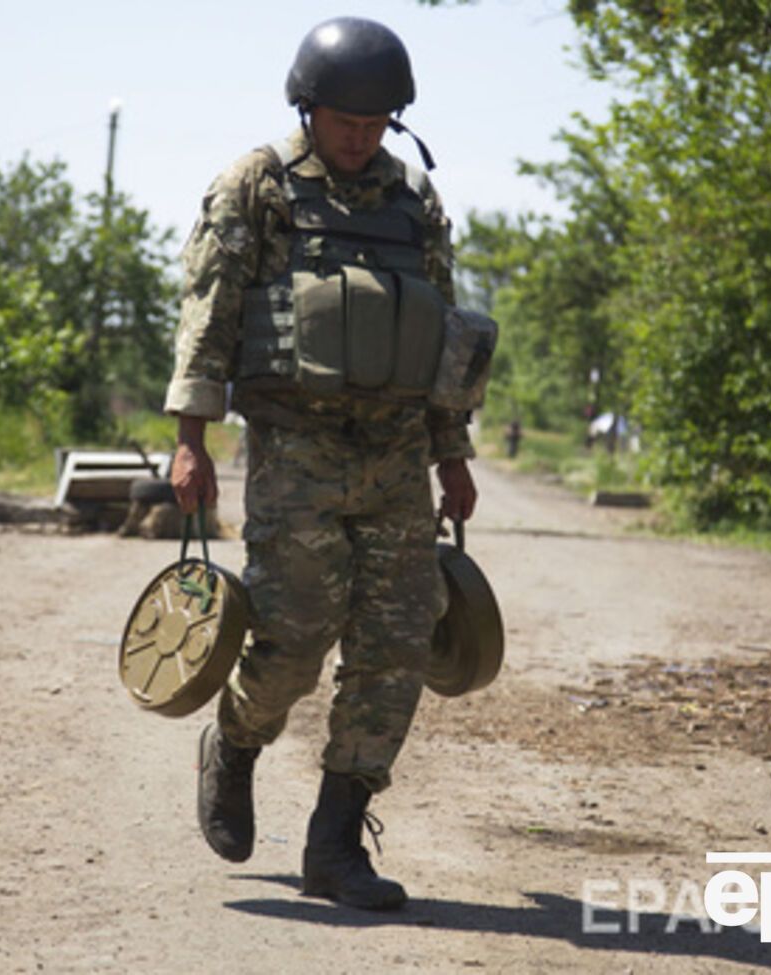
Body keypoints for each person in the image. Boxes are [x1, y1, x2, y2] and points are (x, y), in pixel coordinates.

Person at [165, 17, 491, 910]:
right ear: (308, 108)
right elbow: (208, 313)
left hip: (396, 455)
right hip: (296, 450)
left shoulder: (413, 200)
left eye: (377, 121)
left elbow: (443, 333)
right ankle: (235, 742)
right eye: (346, 119)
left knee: (395, 646)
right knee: (291, 642)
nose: (359, 135)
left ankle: (335, 843)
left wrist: (452, 453)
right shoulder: (258, 186)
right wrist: (190, 439)